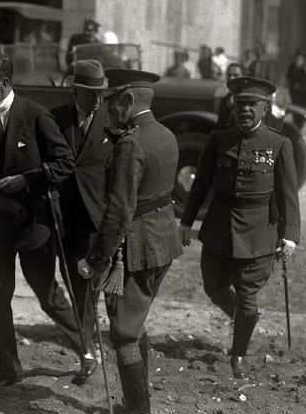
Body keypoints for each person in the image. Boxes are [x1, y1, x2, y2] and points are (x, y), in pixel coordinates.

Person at [0, 53, 91, 387]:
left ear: (4, 84)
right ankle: (9, 366)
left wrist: (27, 179)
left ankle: (86, 350)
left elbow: (65, 163)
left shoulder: (36, 115)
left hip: (34, 223)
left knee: (47, 293)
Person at [179, 77, 300, 380]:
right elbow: (201, 184)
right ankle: (244, 318)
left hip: (259, 230)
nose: (246, 110)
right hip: (218, 227)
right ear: (233, 106)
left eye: (253, 105)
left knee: (248, 295)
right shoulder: (219, 139)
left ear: (265, 109)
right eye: (241, 104)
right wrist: (186, 221)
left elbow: (288, 194)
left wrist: (291, 235)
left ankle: (239, 353)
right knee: (214, 287)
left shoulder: (278, 143)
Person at [78, 69, 183, 414]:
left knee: (123, 332)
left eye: (111, 102)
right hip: (162, 245)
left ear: (126, 101)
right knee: (134, 323)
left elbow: (119, 212)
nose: (107, 109)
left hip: (135, 250)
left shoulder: (131, 144)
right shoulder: (166, 134)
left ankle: (137, 411)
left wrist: (94, 261)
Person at [50, 60, 112, 385]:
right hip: (64, 215)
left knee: (87, 282)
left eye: (100, 92)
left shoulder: (111, 121)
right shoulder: (57, 117)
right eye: (90, 93)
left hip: (95, 217)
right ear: (76, 90)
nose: (97, 99)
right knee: (72, 277)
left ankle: (86, 350)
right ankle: (86, 336)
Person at [286, 52, 306, 130]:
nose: (300, 60)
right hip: (294, 91)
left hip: (302, 92)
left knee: (302, 108)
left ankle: (300, 125)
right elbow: (289, 76)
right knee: (295, 107)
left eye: (301, 59)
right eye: (299, 59)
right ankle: (296, 124)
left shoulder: (304, 68)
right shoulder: (292, 66)